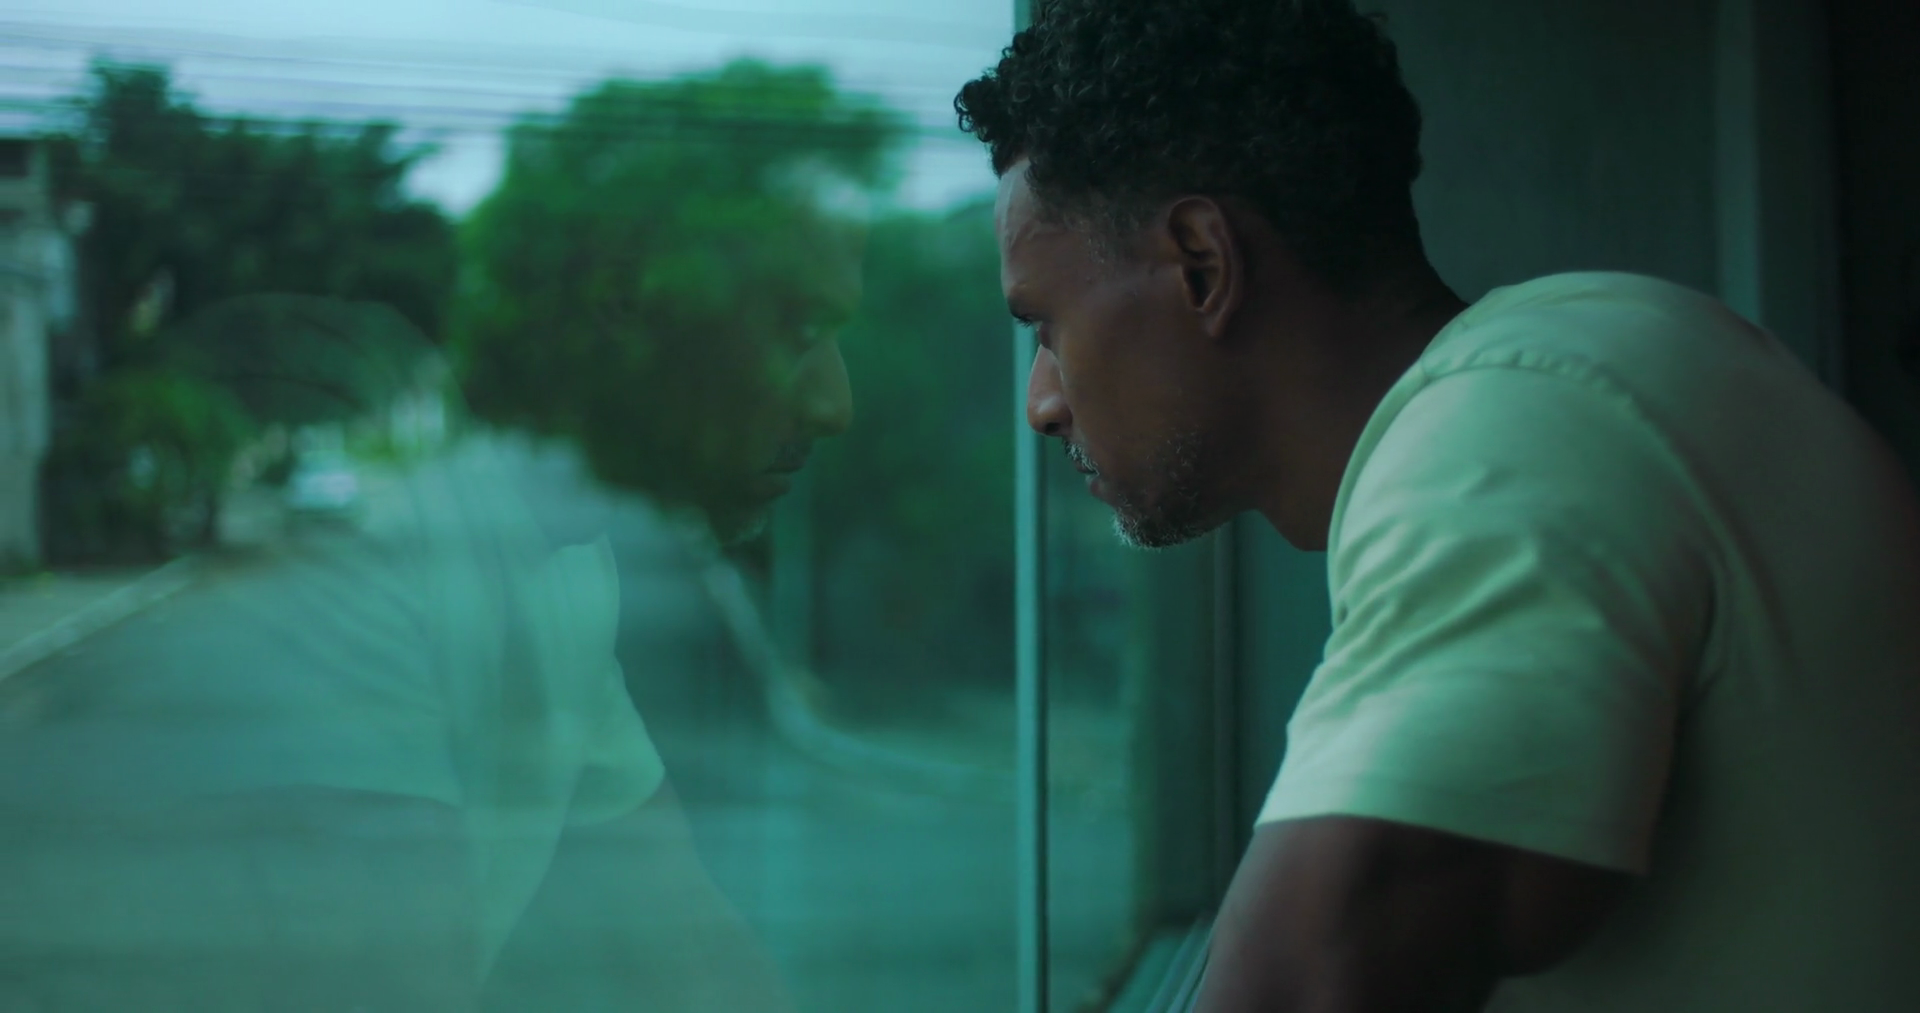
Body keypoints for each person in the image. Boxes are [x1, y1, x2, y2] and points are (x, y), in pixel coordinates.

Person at [956, 1, 1920, 1010]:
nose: (1041, 403)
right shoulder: (1612, 354)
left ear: (1202, 263)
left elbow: (1307, 975)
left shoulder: (1519, 426)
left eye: (1046, 327)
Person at [0, 209, 856, 1009]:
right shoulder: (384, 582)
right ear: (622, 330)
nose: (835, 404)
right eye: (795, 333)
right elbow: (379, 970)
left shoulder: (566, 575)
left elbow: (679, 925)